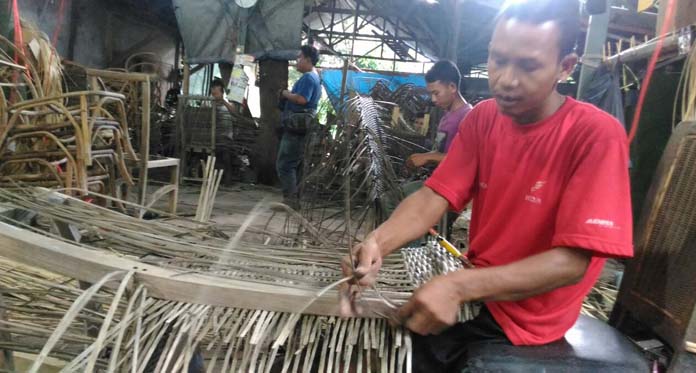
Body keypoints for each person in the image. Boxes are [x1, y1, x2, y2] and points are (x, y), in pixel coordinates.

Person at [340, 0, 633, 371]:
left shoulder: (594, 135)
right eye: (498, 60)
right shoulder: (484, 119)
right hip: (481, 288)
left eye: (528, 66)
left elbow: (571, 262)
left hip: (527, 317)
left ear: (566, 67)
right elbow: (435, 194)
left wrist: (458, 286)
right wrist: (377, 243)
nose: (506, 79)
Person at [276, 45, 321, 208]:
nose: (297, 60)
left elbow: (302, 99)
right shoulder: (314, 77)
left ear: (308, 60)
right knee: (296, 164)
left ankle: (291, 200)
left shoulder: (309, 77)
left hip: (296, 127)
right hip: (303, 126)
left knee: (285, 164)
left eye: (299, 57)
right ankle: (295, 199)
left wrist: (285, 93)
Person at [406, 61, 472, 169]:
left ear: (452, 87)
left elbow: (468, 158)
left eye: (436, 93)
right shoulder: (447, 115)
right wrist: (424, 156)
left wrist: (429, 157)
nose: (433, 99)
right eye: (431, 94)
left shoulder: (468, 116)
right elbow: (442, 150)